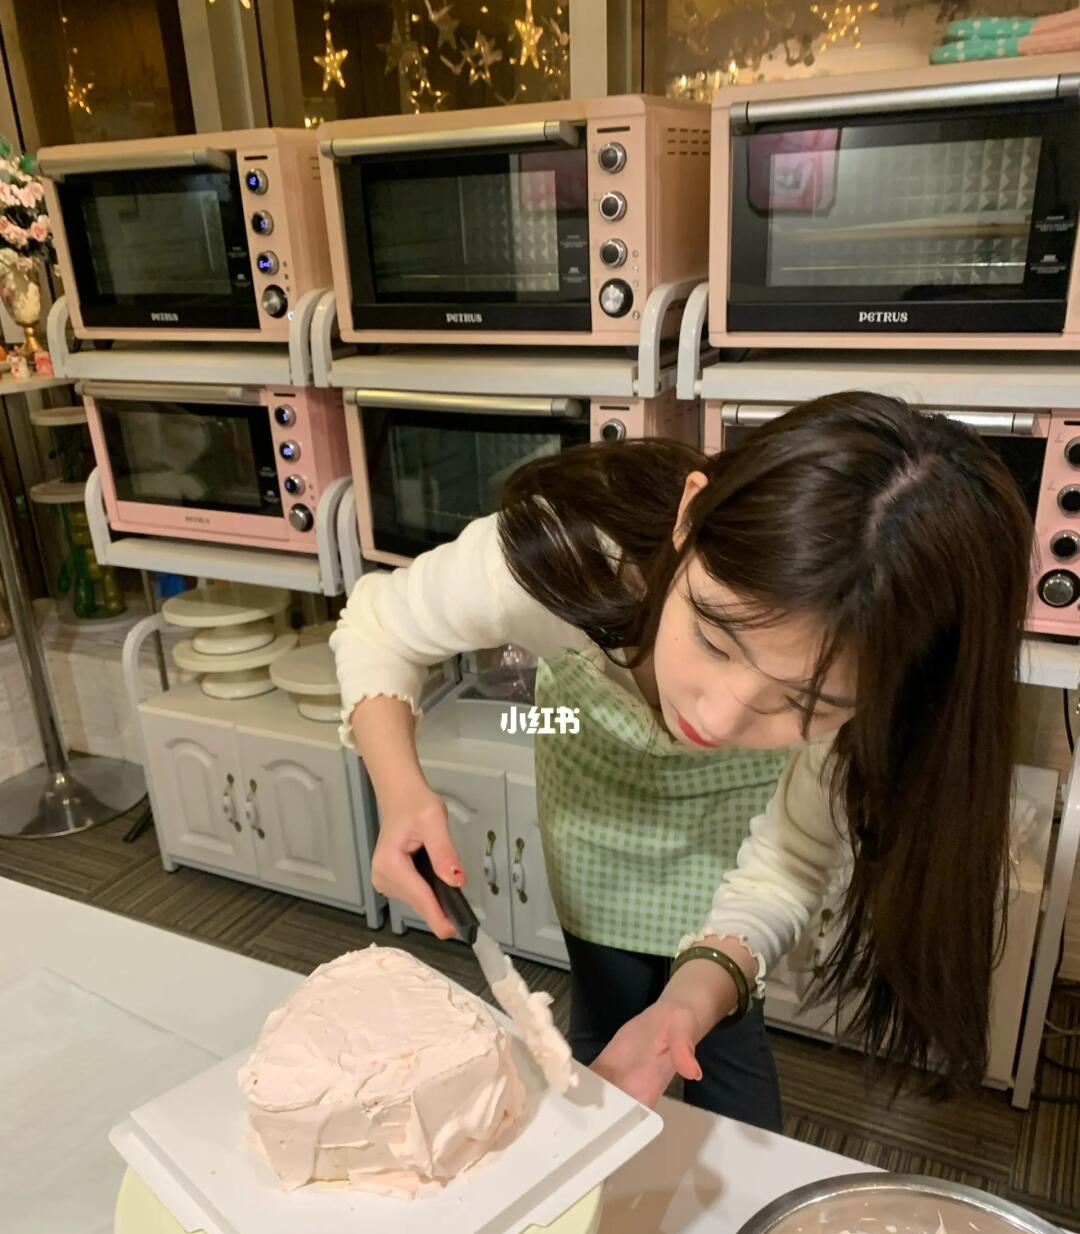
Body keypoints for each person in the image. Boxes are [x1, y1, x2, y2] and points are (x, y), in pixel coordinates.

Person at [330, 391, 1032, 1129]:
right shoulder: (565, 553)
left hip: (733, 847)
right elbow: (379, 625)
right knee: (603, 1023)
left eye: (803, 704)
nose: (718, 718)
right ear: (689, 516)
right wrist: (401, 794)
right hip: (596, 837)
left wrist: (694, 998)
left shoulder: (878, 676)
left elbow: (787, 863)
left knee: (724, 1048)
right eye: (714, 638)